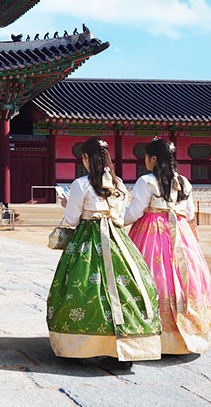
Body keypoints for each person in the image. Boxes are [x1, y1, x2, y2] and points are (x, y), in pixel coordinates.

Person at [47, 137, 161, 361]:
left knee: (83, 287)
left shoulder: (81, 184)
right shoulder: (118, 184)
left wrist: (65, 203)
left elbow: (71, 219)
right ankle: (125, 344)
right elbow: (119, 216)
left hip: (88, 240)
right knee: (125, 285)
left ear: (87, 158)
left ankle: (84, 344)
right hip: (118, 240)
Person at [125, 138, 211, 354]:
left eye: (146, 157)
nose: (145, 161)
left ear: (153, 158)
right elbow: (190, 213)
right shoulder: (184, 182)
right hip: (181, 233)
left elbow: (134, 212)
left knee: (151, 274)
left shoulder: (146, 181)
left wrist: (114, 218)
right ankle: (185, 333)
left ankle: (152, 334)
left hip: (151, 233)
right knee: (185, 275)